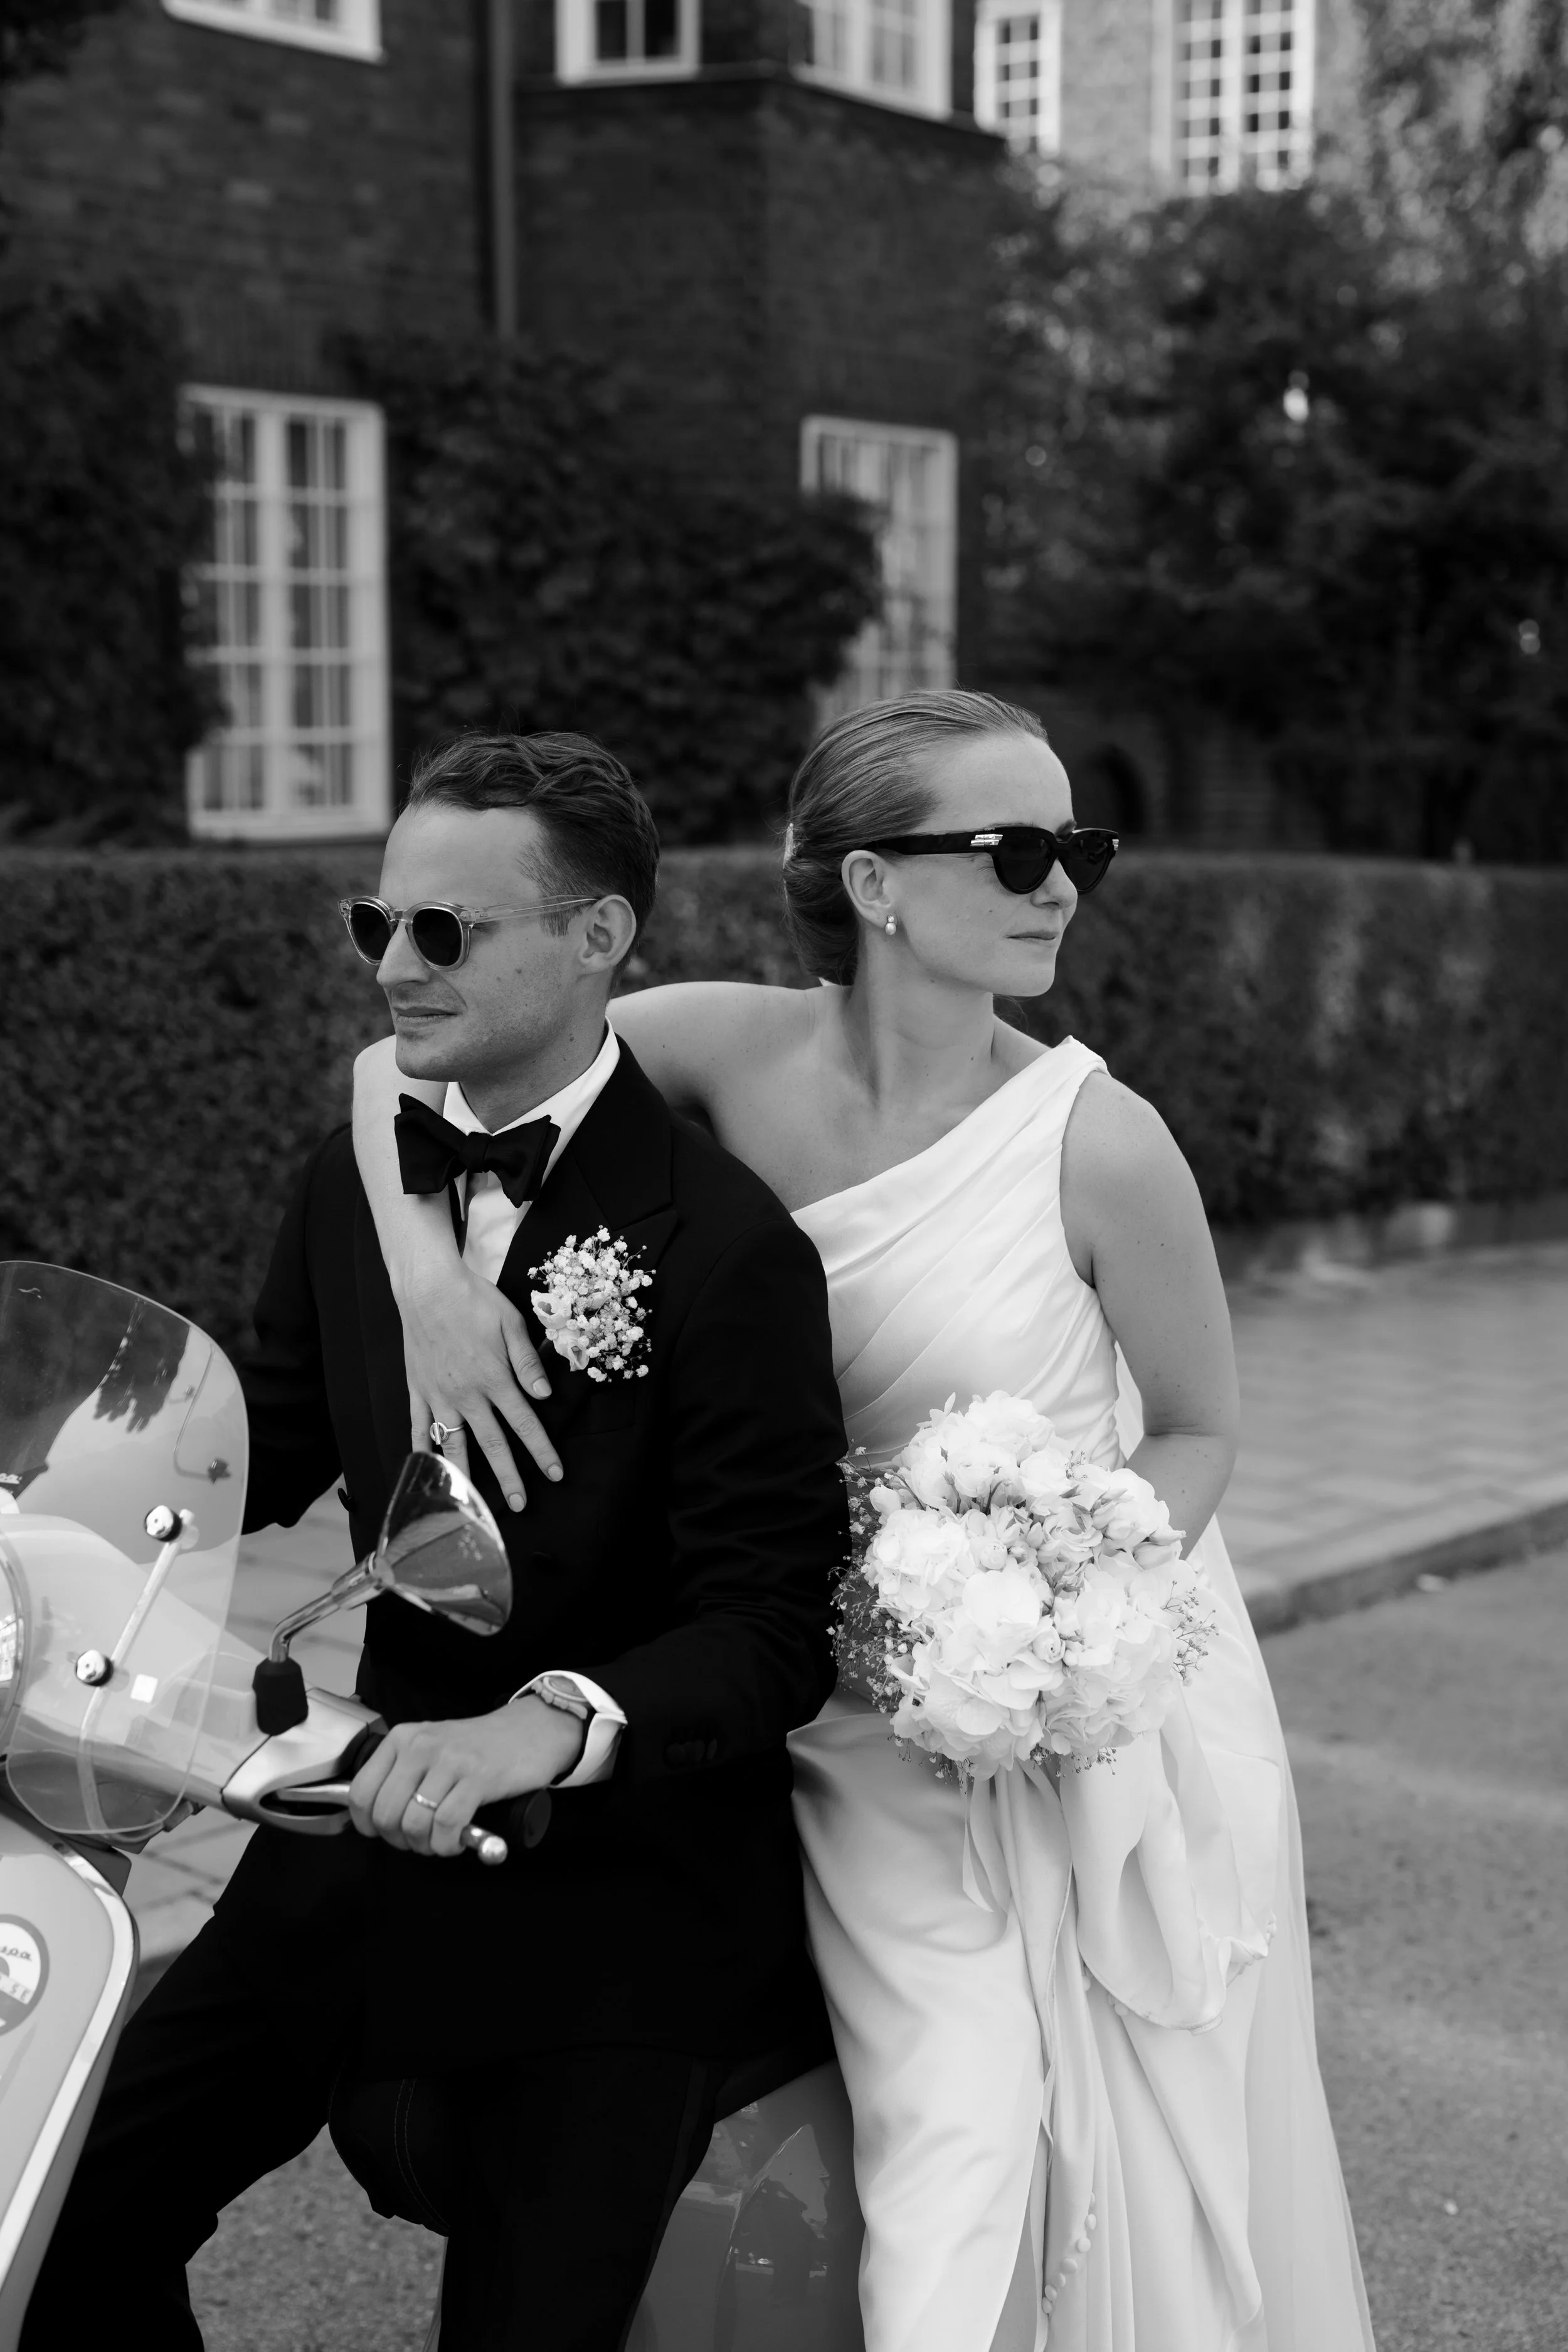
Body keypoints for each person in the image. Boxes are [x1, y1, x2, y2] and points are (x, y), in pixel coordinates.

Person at [352, 691, 1378, 2352]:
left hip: (1059, 1686)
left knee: (1046, 2124)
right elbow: (400, 1064)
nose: (1063, 884)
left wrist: (1062, 1596)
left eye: (1079, 848)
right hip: (803, 1668)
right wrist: (429, 1289)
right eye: (1018, 848)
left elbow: (1198, 1430)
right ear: (878, 885)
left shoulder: (1105, 1145)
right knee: (937, 2100)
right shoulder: (716, 1049)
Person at [21, 732, 848, 2352]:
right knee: (60, 2211)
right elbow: (249, 1446)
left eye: (445, 931)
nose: (395, 965)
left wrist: (537, 1729)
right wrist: (49, 1510)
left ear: (599, 937)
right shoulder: (355, 1176)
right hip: (353, 1825)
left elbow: (770, 1624)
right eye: (376, 924)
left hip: (619, 1889)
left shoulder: (727, 1241)